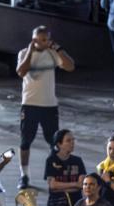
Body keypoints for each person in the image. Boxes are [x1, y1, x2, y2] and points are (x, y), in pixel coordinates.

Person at [17, 27, 75, 191]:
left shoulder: (52, 53)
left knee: (54, 143)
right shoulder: (23, 53)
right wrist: (30, 51)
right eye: (39, 39)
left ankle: (53, 175)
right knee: (25, 142)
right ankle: (24, 175)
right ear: (33, 39)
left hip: (49, 105)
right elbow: (21, 71)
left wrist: (58, 49)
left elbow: (70, 66)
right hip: (29, 103)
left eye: (45, 40)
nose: (42, 43)